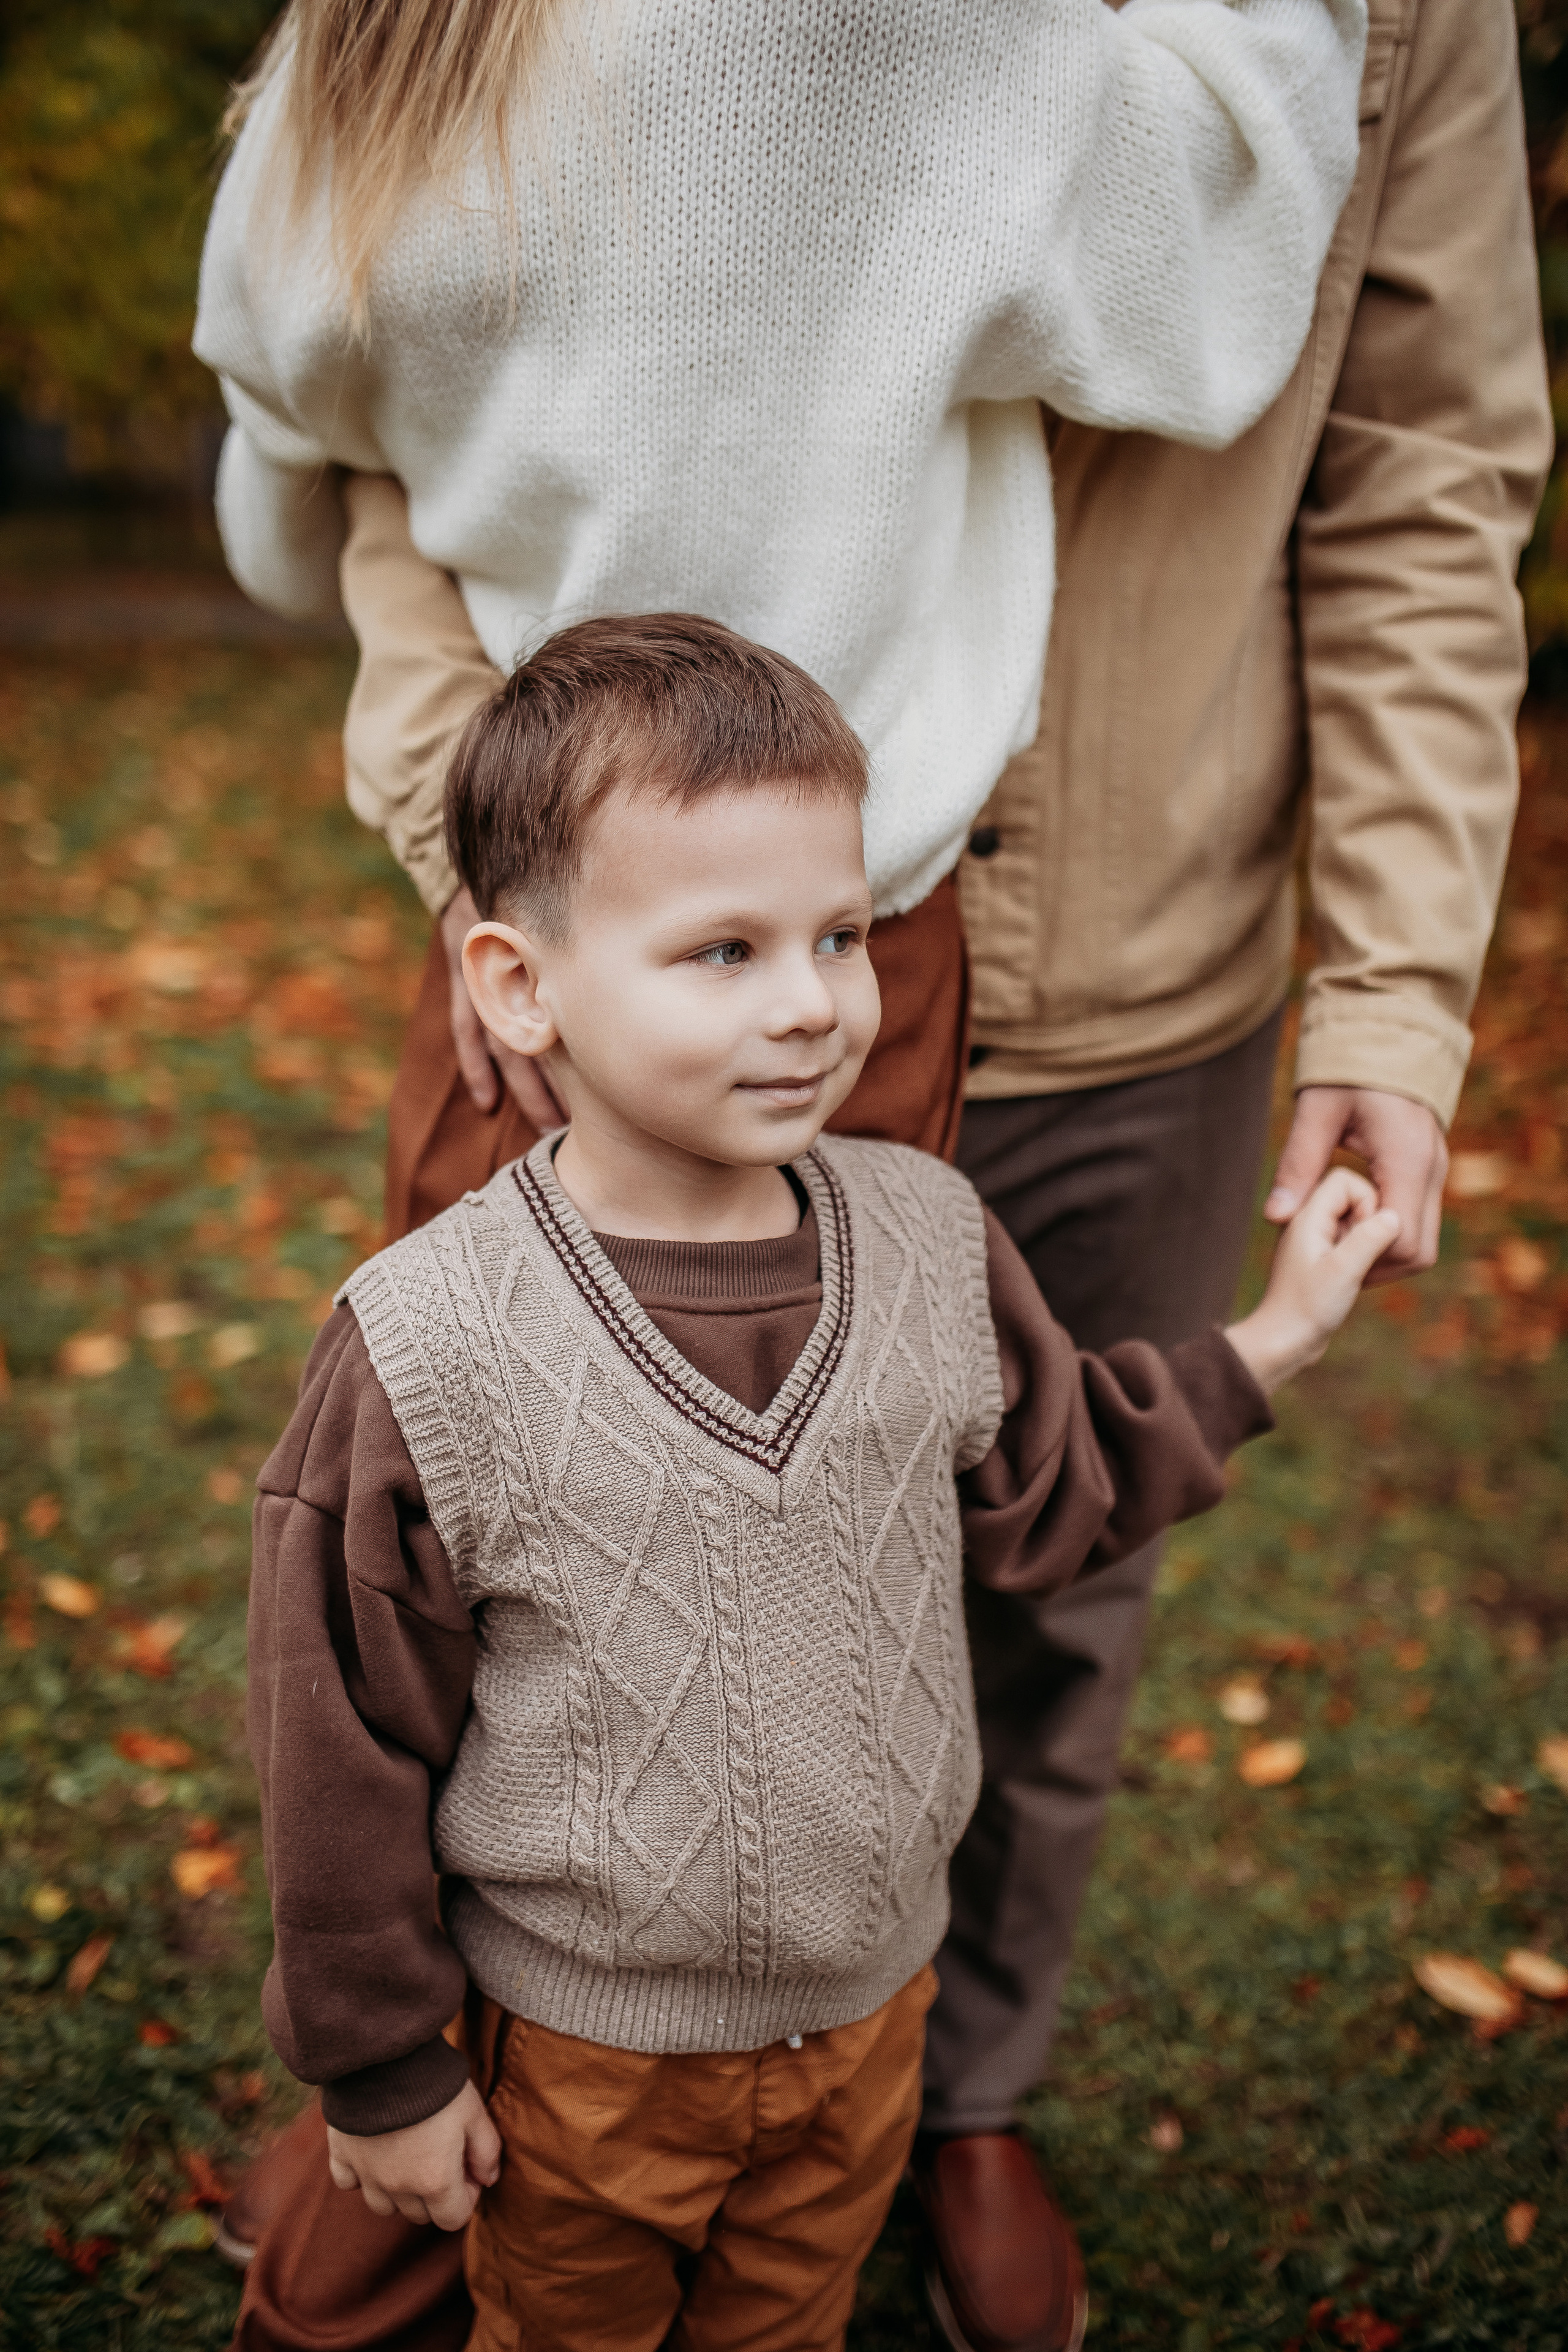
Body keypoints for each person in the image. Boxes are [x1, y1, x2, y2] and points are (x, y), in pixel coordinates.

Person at [246, 614, 1398, 2352]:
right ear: (517, 985)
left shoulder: (930, 1238)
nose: (811, 1004)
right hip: (586, 2060)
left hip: (869, 2025)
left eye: (842, 935)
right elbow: (338, 1734)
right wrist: (380, 2068)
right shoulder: (434, 1344)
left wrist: (1274, 1342)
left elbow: (1056, 1482)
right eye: (722, 950)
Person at [910, 0, 1555, 2345]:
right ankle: (498, 2072)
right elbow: (406, 366)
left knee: (1061, 1606)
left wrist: (1389, 990)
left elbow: (1421, 464)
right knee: (601, 1577)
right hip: (718, 958)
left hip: (1160, 977)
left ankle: (967, 2091)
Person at [194, 0, 1369, 1246]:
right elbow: (1207, 245)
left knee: (469, 1409)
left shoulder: (359, 43)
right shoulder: (879, 31)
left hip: (535, 948)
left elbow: (281, 499)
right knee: (817, 1419)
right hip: (823, 974)